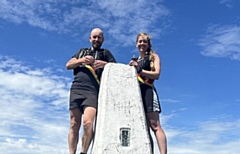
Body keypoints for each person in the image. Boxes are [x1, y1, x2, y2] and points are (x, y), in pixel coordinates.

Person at [66, 28, 116, 154]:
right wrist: (81, 60)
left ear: (102, 40)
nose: (96, 39)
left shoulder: (106, 53)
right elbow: (68, 65)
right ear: (90, 38)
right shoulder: (82, 51)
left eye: (99, 37)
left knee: (88, 123)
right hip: (77, 88)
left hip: (93, 91)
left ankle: (84, 152)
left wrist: (105, 65)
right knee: (74, 124)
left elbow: (116, 69)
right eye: (94, 37)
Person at [129, 32, 167, 154]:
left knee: (154, 125)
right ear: (136, 44)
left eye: (144, 41)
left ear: (148, 44)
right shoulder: (134, 60)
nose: (142, 44)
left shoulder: (153, 57)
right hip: (137, 95)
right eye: (140, 41)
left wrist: (140, 69)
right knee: (144, 128)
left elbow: (157, 75)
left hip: (149, 91)